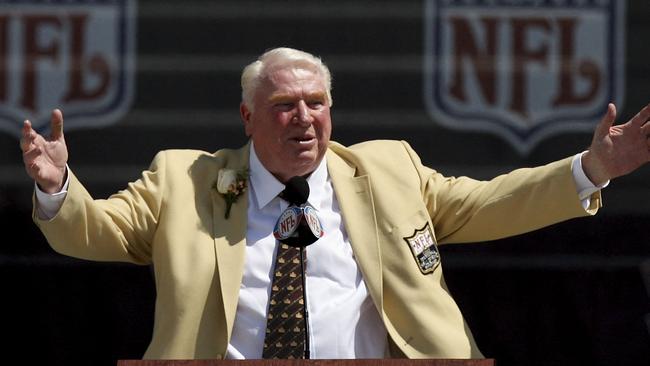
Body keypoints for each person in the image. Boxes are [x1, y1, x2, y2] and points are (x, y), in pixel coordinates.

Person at [20, 47, 650, 360]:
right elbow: (95, 232)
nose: (304, 118)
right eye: (284, 106)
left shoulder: (387, 169)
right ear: (247, 117)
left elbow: (489, 204)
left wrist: (591, 168)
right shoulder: (184, 180)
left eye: (316, 103)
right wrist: (57, 187)